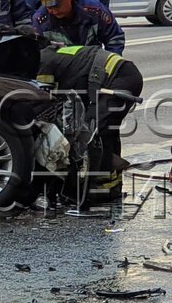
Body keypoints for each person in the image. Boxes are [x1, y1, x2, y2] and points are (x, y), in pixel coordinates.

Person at [37, 42, 144, 201]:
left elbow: (43, 100)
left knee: (94, 134)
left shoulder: (42, 62)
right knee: (105, 131)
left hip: (120, 77)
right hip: (121, 75)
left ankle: (99, 188)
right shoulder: (52, 54)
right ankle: (109, 185)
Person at [31, 0, 125, 52]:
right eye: (49, 7)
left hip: (93, 63)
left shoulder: (94, 9)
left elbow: (114, 37)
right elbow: (40, 52)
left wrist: (107, 66)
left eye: (57, 5)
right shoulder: (40, 19)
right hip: (62, 67)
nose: (54, 11)